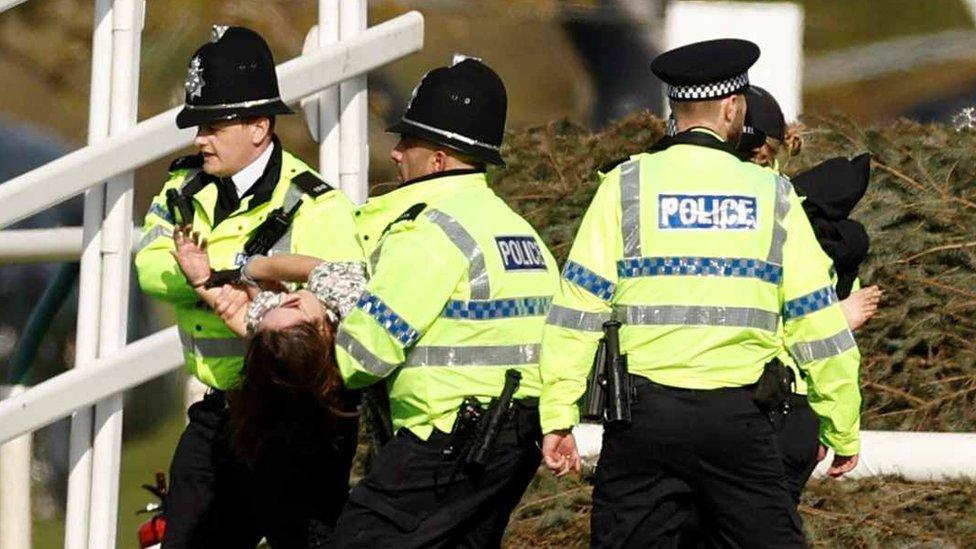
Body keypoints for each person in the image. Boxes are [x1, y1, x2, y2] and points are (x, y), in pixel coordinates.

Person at [538, 39, 862, 547]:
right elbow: (815, 322)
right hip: (737, 421)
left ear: (675, 107)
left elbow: (577, 310)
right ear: (732, 108)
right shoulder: (771, 195)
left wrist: (557, 413)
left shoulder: (624, 186)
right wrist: (842, 423)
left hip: (642, 422)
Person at [134, 26, 364, 548]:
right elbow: (151, 268)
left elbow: (338, 299)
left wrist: (211, 272)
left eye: (213, 125)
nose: (199, 139)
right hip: (219, 411)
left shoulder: (315, 204)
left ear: (259, 126)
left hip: (296, 418)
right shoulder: (180, 188)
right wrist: (238, 277)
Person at [327, 57, 559, 548]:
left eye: (407, 141)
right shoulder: (521, 235)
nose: (394, 154)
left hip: (444, 442)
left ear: (437, 160)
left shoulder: (430, 232)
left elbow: (361, 358)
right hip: (510, 447)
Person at [737, 85, 882, 504]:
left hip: (681, 411)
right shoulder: (794, 214)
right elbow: (821, 336)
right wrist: (836, 428)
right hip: (781, 413)